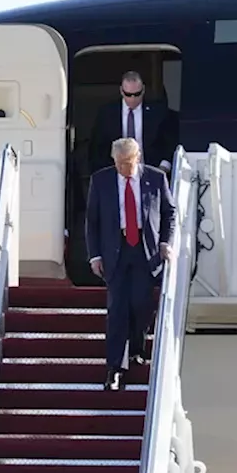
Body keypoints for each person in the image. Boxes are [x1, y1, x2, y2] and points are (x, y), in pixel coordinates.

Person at [85, 137, 176, 391]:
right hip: (116, 251)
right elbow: (92, 221)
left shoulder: (156, 178)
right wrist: (95, 256)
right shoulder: (101, 180)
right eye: (118, 163)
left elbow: (169, 212)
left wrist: (165, 242)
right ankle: (114, 368)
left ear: (137, 157)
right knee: (117, 312)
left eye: (127, 162)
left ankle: (137, 348)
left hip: (145, 251)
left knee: (142, 305)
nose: (123, 168)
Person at [87, 71, 179, 174]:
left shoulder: (158, 113)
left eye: (137, 94)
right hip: (117, 174)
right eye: (128, 94)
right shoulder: (107, 113)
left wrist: (162, 169)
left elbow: (169, 143)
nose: (133, 98)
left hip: (150, 173)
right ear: (121, 91)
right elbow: (97, 148)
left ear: (143, 90)